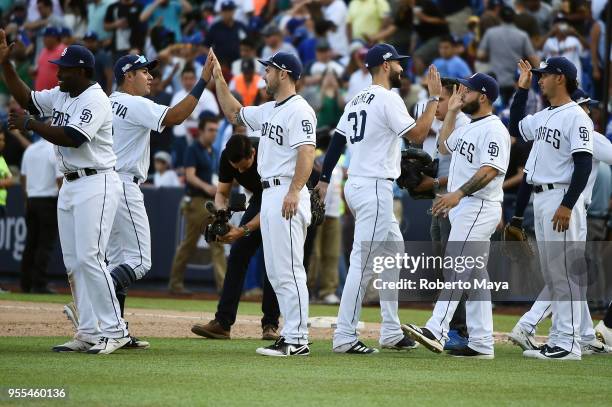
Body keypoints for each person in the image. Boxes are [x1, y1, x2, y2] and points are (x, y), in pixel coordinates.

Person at [62, 53, 216, 349]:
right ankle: (92, 304)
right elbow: (175, 117)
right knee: (140, 261)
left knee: (116, 259)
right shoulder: (132, 102)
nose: (151, 77)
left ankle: (114, 329)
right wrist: (203, 81)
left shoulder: (104, 100)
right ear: (127, 75)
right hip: (122, 183)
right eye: (144, 71)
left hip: (100, 182)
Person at [1, 38, 129, 354]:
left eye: (65, 69)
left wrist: (31, 124)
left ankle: (116, 330)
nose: (58, 74)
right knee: (73, 261)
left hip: (95, 181)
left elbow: (73, 137)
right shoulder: (63, 93)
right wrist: (5, 64)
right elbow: (28, 98)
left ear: (83, 71)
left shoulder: (96, 100)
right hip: (71, 184)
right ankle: (87, 331)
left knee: (90, 257)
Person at [317, 44, 443, 354]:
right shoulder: (388, 98)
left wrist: (323, 178)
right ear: (385, 66)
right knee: (363, 262)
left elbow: (336, 141)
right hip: (373, 187)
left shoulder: (357, 97)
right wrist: (434, 99)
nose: (402, 68)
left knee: (395, 250)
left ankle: (389, 330)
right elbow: (418, 135)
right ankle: (344, 336)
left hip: (359, 184)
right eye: (397, 63)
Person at [211, 49, 316, 357]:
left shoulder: (300, 109)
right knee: (277, 271)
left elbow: (307, 152)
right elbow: (234, 112)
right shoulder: (271, 109)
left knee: (289, 269)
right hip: (269, 194)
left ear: (283, 73)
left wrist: (295, 190)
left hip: (285, 190)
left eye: (269, 69)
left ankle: (298, 338)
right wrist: (218, 78)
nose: (264, 74)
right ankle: (291, 336)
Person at [403, 73, 510, 359]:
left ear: (483, 96)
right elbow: (442, 146)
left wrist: (458, 194)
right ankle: (482, 342)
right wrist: (450, 110)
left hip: (478, 205)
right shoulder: (468, 126)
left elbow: (490, 170)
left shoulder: (494, 129)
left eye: (468, 91)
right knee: (475, 278)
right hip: (465, 208)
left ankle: (436, 328)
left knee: (457, 269)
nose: (462, 94)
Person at [507, 88, 612, 356]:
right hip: (562, 203)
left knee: (568, 273)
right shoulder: (570, 124)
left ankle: (560, 335)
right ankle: (579, 336)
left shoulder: (583, 129)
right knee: (567, 273)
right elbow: (520, 131)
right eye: (586, 104)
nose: (590, 110)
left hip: (569, 205)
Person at [191, 135, 281, 340]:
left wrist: (243, 230)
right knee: (238, 253)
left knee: (273, 258)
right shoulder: (227, 156)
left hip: (284, 195)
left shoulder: (270, 153)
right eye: (236, 167)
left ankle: (270, 324)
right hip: (261, 196)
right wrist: (221, 214)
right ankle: (223, 323)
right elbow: (222, 192)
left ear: (253, 154)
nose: (240, 171)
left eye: (244, 166)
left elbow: (270, 207)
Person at [412, 77, 471, 349]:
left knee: (453, 269)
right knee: (442, 269)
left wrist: (433, 183)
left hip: (456, 206)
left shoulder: (465, 125)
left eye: (441, 98)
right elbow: (443, 164)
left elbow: (463, 173)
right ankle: (448, 326)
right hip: (439, 204)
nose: (436, 105)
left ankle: (460, 330)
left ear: (456, 98)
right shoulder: (445, 125)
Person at [168, 116, 227, 294]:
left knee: (192, 243)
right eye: (210, 129)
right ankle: (224, 288)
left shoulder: (213, 151)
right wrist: (208, 187)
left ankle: (175, 283)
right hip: (196, 201)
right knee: (214, 241)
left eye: (216, 130)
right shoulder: (193, 148)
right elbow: (190, 176)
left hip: (208, 202)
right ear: (201, 130)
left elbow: (214, 178)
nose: (214, 133)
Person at [20, 136, 62, 294]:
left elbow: (23, 177)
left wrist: (26, 198)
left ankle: (25, 283)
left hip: (31, 200)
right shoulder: (54, 149)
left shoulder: (30, 149)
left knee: (31, 243)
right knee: (45, 244)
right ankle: (39, 284)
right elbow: (59, 179)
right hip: (48, 202)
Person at [477, 7, 539, 105]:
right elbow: (533, 57)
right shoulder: (522, 35)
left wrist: (494, 52)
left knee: (499, 114)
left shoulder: (491, 33)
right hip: (516, 82)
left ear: (500, 18)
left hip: (496, 81)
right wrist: (540, 74)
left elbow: (480, 54)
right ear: (514, 18)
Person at [34, 26, 66, 91]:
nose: (44, 39)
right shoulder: (44, 50)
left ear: (55, 37)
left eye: (46, 36)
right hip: (40, 94)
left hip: (56, 95)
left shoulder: (64, 50)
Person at [0, 129, 13, 219]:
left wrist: (3, 182)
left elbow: (11, 180)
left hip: (2, 203)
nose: (2, 143)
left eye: (3, 140)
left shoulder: (1, 159)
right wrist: (5, 182)